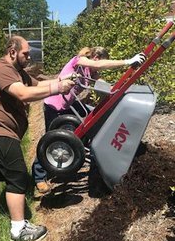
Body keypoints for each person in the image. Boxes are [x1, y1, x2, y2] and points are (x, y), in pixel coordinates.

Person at [0, 35, 75, 241]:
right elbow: (23, 94)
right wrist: (57, 88)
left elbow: (39, 84)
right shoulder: (1, 69)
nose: (28, 57)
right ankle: (18, 231)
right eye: (25, 53)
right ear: (12, 51)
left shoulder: (17, 72)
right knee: (18, 176)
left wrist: (65, 80)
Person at [32, 46, 146, 193]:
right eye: (102, 62)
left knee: (95, 114)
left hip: (68, 103)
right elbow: (98, 65)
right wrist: (127, 61)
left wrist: (121, 92)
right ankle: (39, 178)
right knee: (51, 140)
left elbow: (104, 86)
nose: (100, 67)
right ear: (96, 58)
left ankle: (90, 145)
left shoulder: (91, 71)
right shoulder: (79, 61)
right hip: (54, 105)